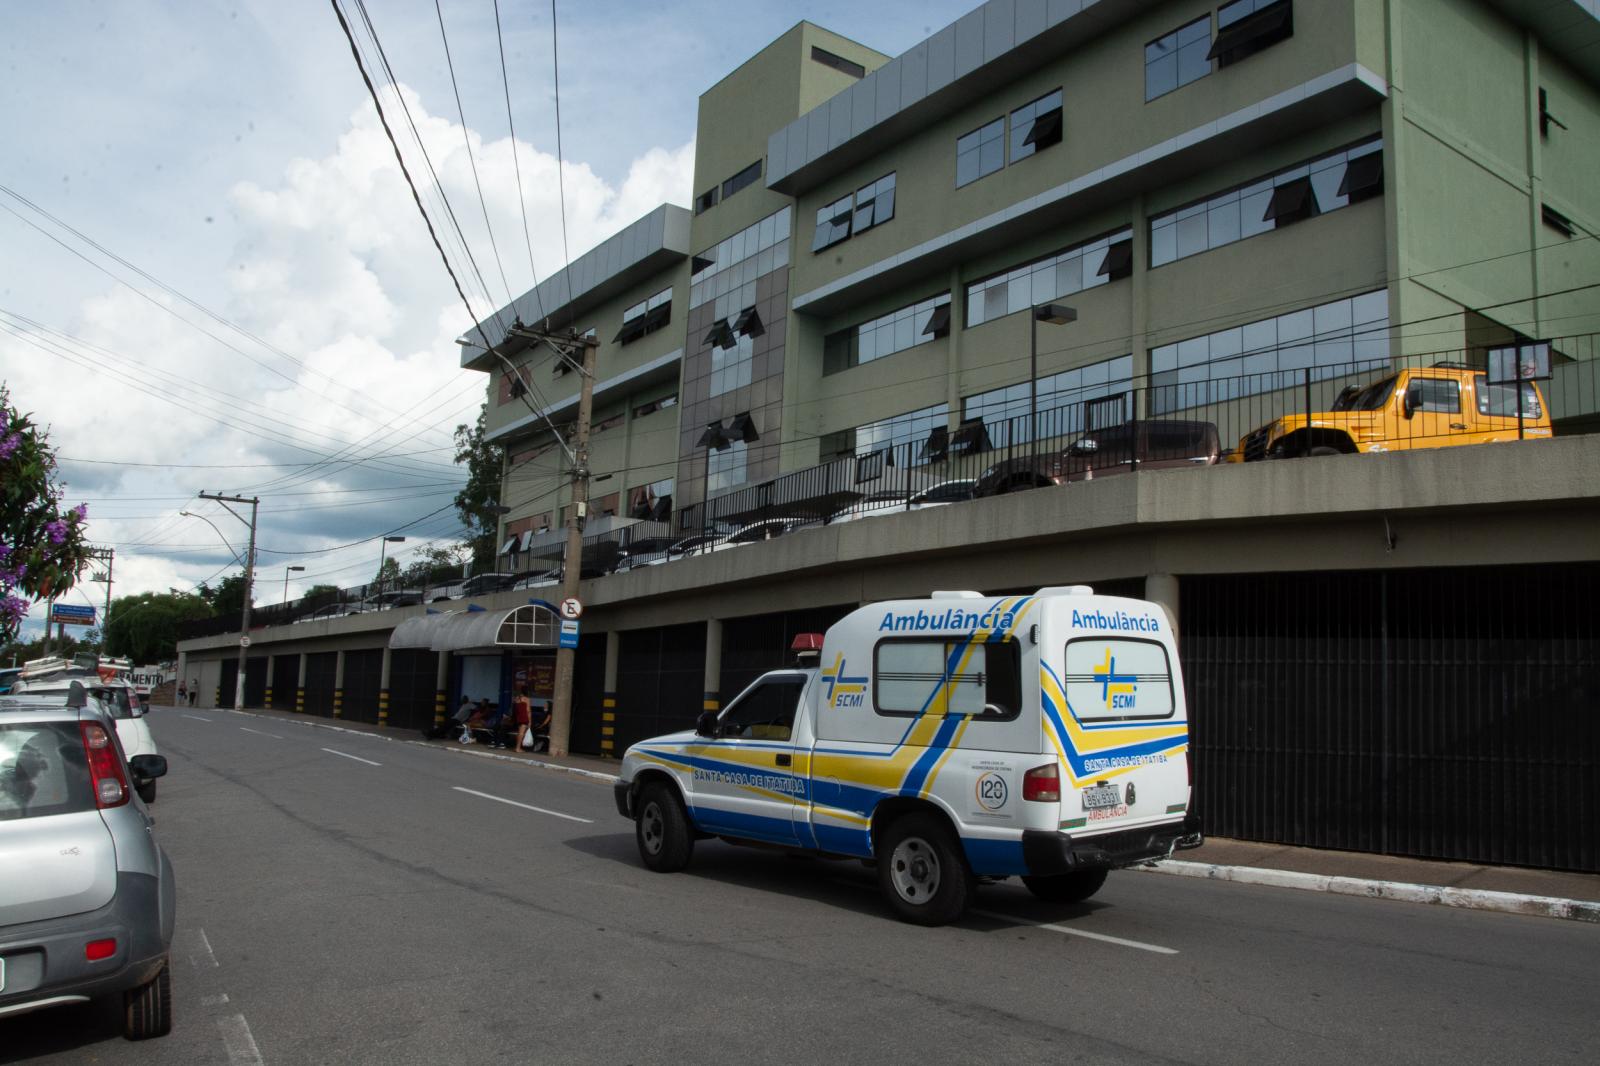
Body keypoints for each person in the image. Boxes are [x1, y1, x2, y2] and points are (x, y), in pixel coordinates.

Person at [511, 685, 532, 751]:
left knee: (519, 732)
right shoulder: (527, 699)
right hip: (524, 717)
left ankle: (517, 747)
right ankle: (518, 748)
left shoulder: (517, 698)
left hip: (518, 717)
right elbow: (528, 711)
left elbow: (515, 708)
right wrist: (530, 721)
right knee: (521, 733)